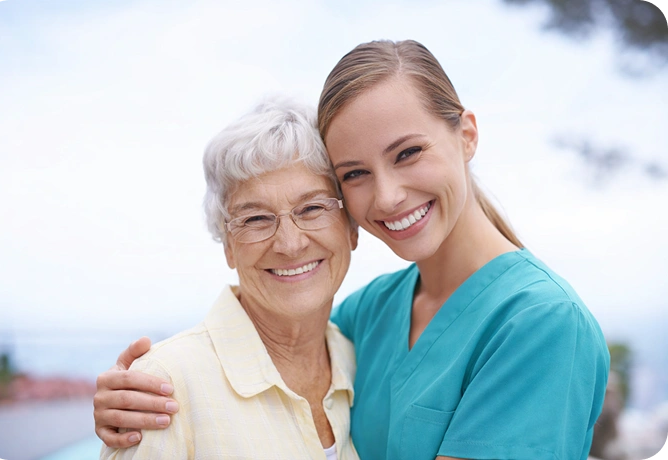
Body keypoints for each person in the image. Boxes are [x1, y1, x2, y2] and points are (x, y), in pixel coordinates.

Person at [94, 40, 610, 460]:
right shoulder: (367, 315)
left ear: (467, 135)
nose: (386, 196)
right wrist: (139, 392)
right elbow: (269, 357)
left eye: (408, 153)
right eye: (355, 174)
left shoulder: (543, 324)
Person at [99, 97, 360, 459]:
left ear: (352, 228)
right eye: (255, 219)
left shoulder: (359, 359)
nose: (289, 243)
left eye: (313, 208)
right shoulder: (166, 385)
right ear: (228, 247)